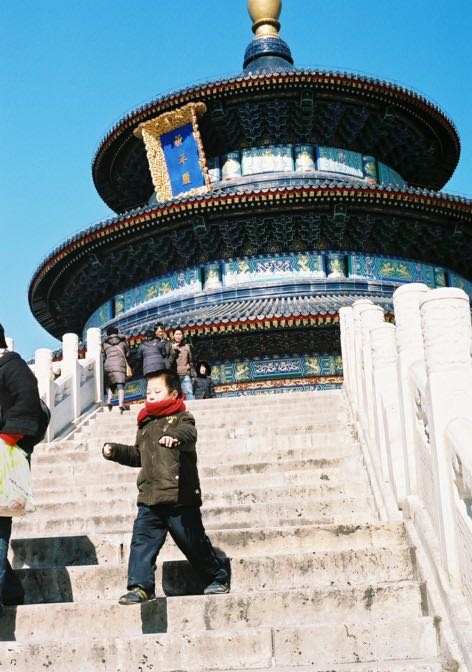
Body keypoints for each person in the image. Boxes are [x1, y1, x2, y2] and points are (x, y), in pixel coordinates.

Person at [102, 369, 229, 603]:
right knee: (141, 542)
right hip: (149, 496)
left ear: (173, 394)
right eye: (148, 391)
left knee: (192, 543)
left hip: (179, 496)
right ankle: (141, 587)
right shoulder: (145, 423)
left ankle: (216, 576)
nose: (150, 395)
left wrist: (176, 438)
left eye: (157, 391)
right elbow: (138, 455)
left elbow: (189, 434)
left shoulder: (182, 417)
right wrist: (115, 450)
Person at [0, 323, 44, 609]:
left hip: (6, 453)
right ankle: (12, 591)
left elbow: (27, 401)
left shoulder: (11, 366)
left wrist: (7, 436)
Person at [102, 326, 130, 414]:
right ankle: (121, 404)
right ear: (117, 333)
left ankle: (109, 401)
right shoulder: (122, 342)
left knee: (111, 384)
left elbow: (104, 356)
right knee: (120, 384)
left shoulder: (105, 344)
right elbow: (128, 354)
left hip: (108, 365)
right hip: (119, 364)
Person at [172, 327, 195, 400]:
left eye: (180, 334)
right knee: (175, 396)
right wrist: (173, 350)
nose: (178, 336)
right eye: (177, 334)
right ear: (173, 335)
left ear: (182, 336)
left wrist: (192, 375)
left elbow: (190, 360)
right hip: (174, 375)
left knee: (189, 392)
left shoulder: (186, 346)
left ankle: (193, 409)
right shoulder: (170, 346)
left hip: (185, 373)